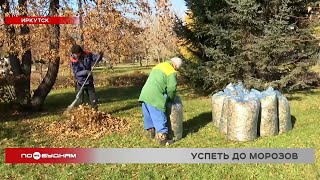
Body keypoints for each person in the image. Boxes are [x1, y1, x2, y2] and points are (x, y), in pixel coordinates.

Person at [138, 57, 183, 145]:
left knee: (148, 115)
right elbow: (171, 88)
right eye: (177, 68)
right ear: (176, 66)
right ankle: (163, 140)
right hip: (155, 96)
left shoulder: (159, 65)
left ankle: (151, 133)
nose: (176, 70)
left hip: (144, 93)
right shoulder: (171, 71)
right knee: (159, 116)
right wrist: (171, 98)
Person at [70, 44, 102, 110]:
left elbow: (95, 58)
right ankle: (82, 114)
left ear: (80, 52)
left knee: (93, 100)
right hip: (80, 83)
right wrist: (86, 72)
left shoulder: (87, 55)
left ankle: (95, 113)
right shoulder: (73, 61)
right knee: (80, 102)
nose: (75, 55)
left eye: (77, 53)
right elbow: (76, 73)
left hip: (89, 82)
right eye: (74, 54)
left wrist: (100, 56)